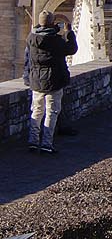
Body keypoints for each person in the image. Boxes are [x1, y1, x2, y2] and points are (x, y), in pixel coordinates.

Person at [25, 9, 78, 153]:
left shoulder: (31, 38)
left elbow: (27, 60)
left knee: (36, 111)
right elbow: (72, 49)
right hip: (53, 80)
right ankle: (47, 143)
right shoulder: (55, 41)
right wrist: (68, 33)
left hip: (36, 79)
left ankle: (33, 140)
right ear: (52, 23)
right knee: (51, 112)